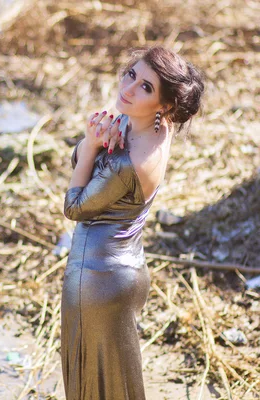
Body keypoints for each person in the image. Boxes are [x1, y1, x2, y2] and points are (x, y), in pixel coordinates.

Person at [61, 46, 205, 400]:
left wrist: (91, 145)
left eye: (145, 88)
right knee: (120, 385)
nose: (128, 88)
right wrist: (97, 142)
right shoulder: (159, 130)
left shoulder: (129, 163)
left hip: (95, 279)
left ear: (165, 105)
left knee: (90, 387)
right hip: (128, 271)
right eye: (131, 75)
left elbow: (75, 206)